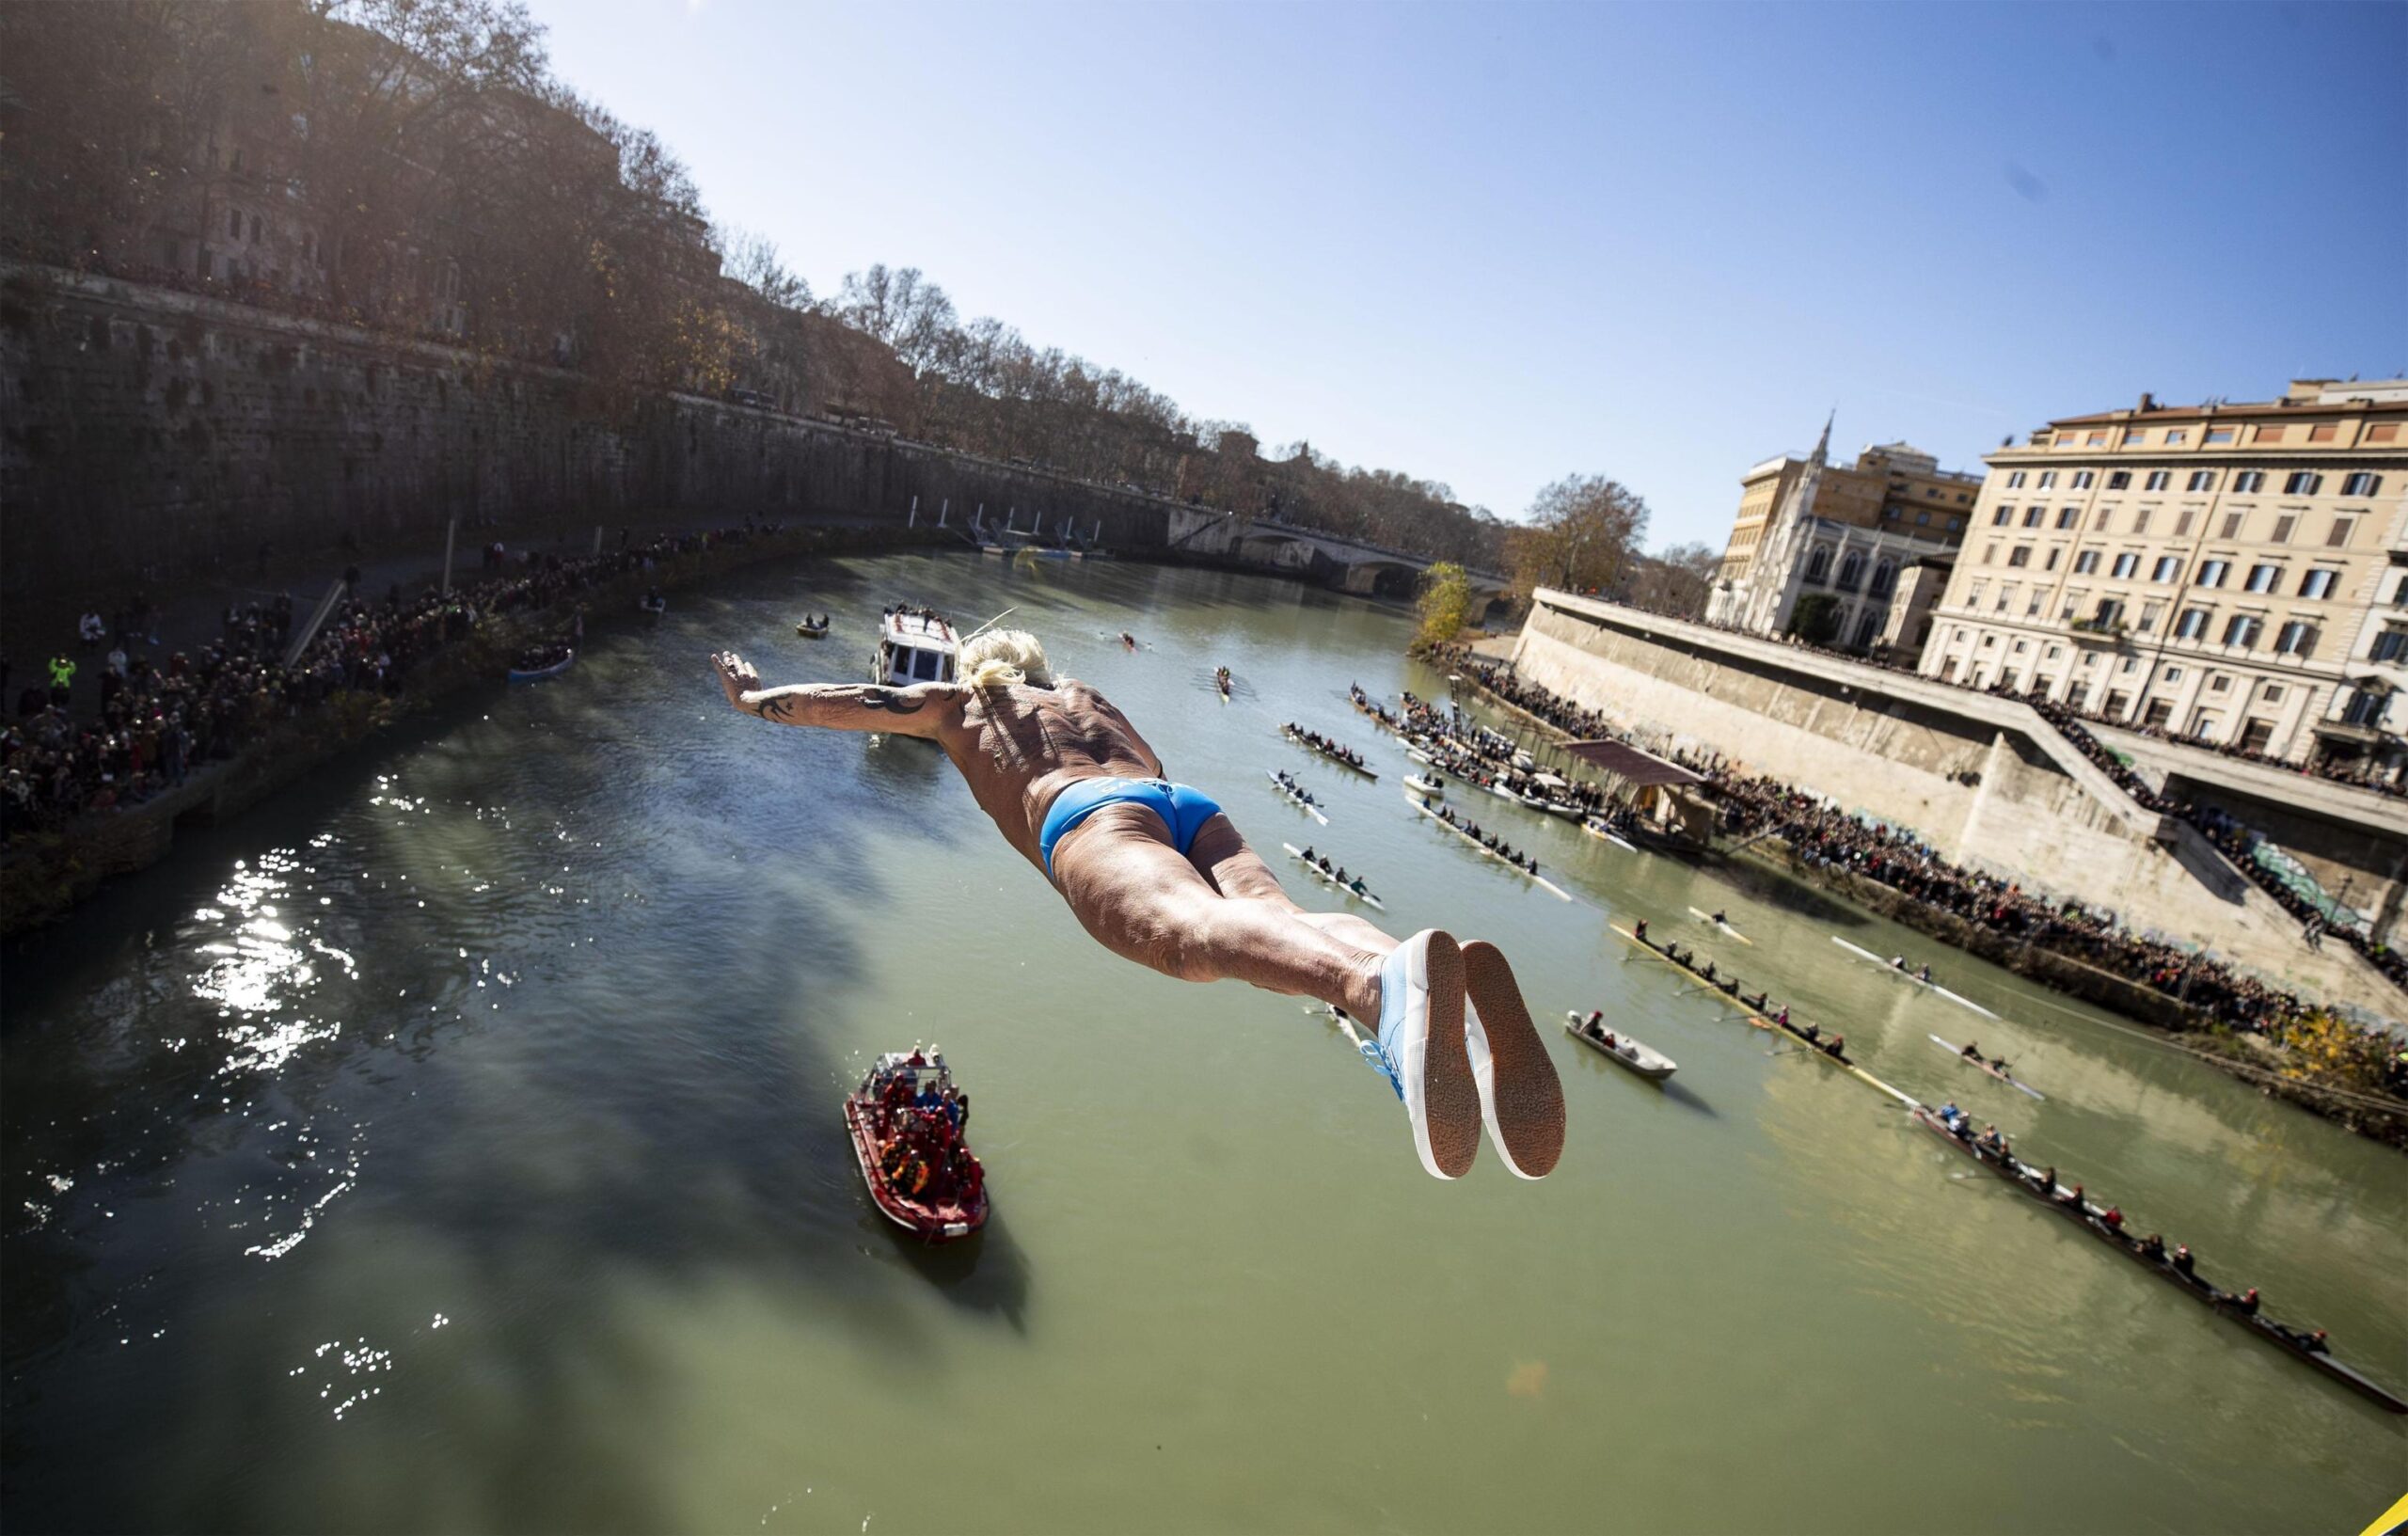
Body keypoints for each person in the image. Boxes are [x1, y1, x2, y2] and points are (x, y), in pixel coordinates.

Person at [713, 634, 1563, 1182]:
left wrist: (756, 699)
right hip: (1180, 799)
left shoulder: (964, 702)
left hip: (1084, 816)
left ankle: (1385, 987)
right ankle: (1458, 1032)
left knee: (1188, 942)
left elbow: (842, 703)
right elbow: (1146, 755)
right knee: (1278, 929)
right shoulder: (1086, 694)